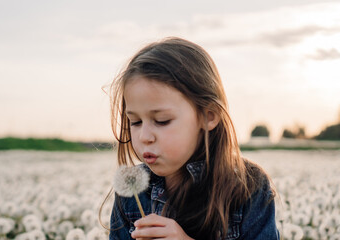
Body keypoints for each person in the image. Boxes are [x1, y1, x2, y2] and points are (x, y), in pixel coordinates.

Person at [102, 37, 280, 240]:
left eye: (162, 121)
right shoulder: (132, 193)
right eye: (135, 122)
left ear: (208, 116)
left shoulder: (248, 187)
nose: (144, 137)